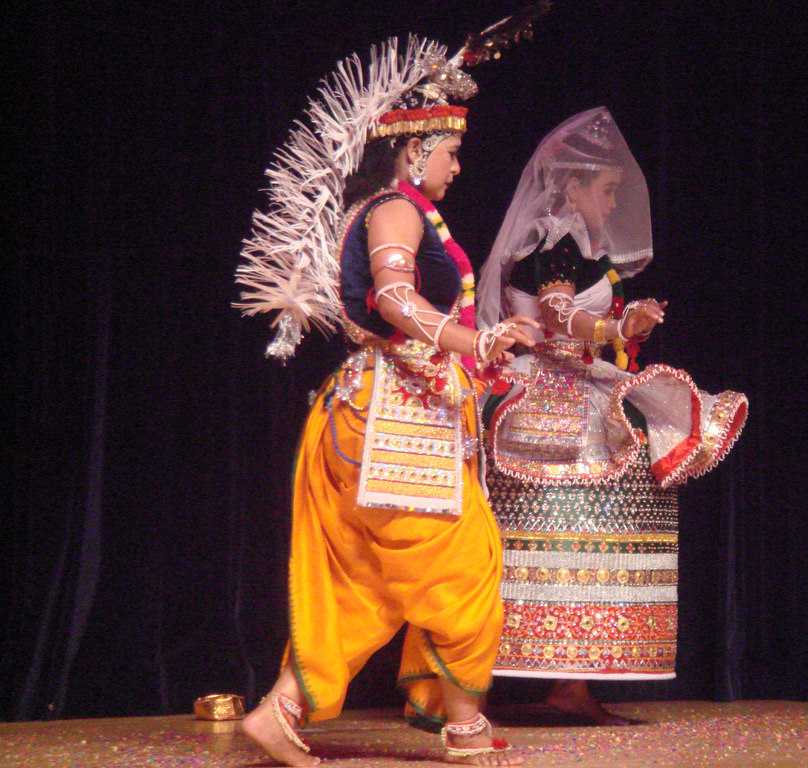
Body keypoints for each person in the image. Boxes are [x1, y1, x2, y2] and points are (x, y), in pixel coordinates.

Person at [234, 32, 544, 767]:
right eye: (451, 152)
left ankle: (286, 711)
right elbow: (395, 297)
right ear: (414, 150)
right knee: (463, 564)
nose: (457, 166)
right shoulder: (395, 211)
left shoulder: (403, 211)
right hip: (386, 418)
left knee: (371, 580)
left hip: (386, 410)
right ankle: (461, 726)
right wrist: (475, 341)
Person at [477, 107, 749, 724]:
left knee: (591, 521)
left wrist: (626, 326)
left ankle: (568, 681)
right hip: (549, 390)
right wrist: (614, 328)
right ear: (572, 188)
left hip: (579, 382)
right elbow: (557, 315)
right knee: (551, 523)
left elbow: (581, 320)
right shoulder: (555, 241)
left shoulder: (581, 248)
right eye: (606, 189)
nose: (613, 201)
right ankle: (488, 679)